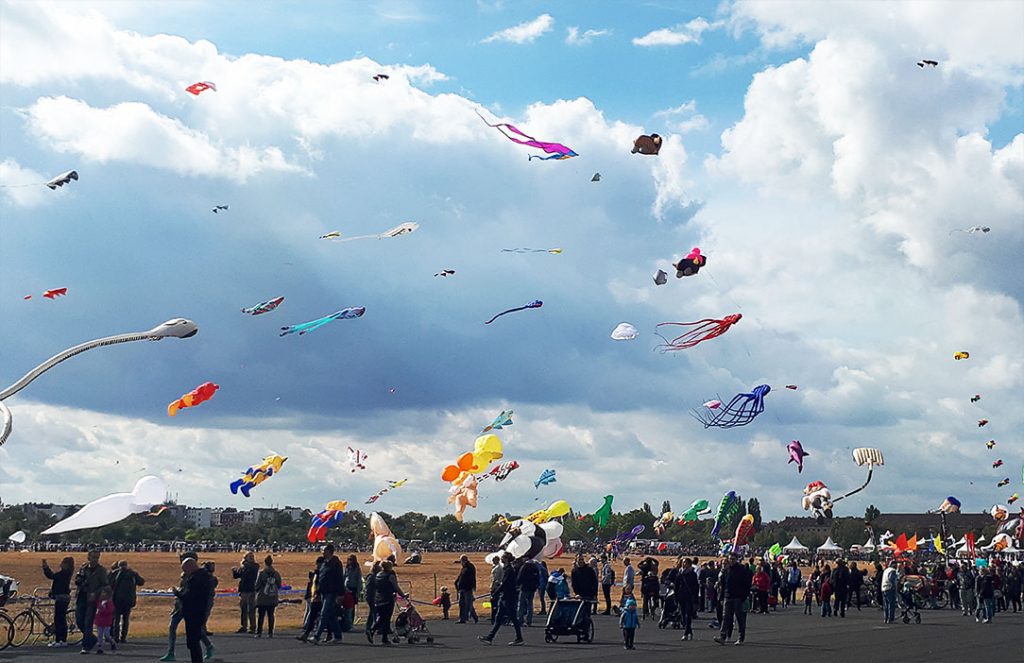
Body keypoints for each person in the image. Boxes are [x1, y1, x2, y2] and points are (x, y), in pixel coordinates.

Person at [478, 553, 524, 646]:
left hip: (509, 597)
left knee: (513, 618)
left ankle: (519, 638)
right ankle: (490, 637)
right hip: (504, 597)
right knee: (499, 618)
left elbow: (505, 584)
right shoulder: (507, 569)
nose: (501, 559)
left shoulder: (509, 570)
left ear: (506, 559)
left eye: (503, 557)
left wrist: (495, 593)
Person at [74, 548, 108, 654]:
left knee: (88, 623)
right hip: (82, 597)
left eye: (97, 558)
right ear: (88, 557)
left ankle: (86, 646)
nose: (95, 560)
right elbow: (77, 580)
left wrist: (96, 593)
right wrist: (79, 580)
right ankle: (92, 638)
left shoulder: (101, 570)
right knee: (79, 621)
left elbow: (105, 585)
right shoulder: (84, 568)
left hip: (92, 599)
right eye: (93, 557)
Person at [714, 553, 752, 646]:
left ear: (737, 559)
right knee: (726, 617)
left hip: (738, 597)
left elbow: (747, 584)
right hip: (728, 596)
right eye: (730, 559)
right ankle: (722, 636)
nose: (731, 561)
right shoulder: (726, 570)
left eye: (733, 559)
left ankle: (741, 637)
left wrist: (744, 596)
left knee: (740, 618)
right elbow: (723, 584)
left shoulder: (741, 570)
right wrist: (722, 597)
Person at [179, 558, 212, 663]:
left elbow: (190, 596)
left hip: (194, 612)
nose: (185, 573)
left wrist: (179, 594)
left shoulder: (196, 579)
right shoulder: (204, 576)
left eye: (185, 570)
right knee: (193, 641)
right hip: (198, 611)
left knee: (193, 641)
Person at [311, 544, 344, 645]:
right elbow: (321, 577)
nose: (322, 552)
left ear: (329, 551)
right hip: (323, 592)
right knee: (331, 615)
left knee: (324, 614)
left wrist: (340, 594)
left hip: (332, 592)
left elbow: (339, 579)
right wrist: (317, 591)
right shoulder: (325, 563)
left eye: (324, 550)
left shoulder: (336, 564)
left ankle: (317, 636)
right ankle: (338, 635)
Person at [369, 560, 405, 645]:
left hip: (378, 599)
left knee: (382, 617)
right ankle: (379, 634)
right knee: (386, 618)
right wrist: (402, 595)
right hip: (387, 599)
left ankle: (375, 631)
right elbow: (396, 587)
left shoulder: (378, 575)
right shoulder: (390, 575)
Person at [41, 556, 74, 648]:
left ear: (66, 565)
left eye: (63, 563)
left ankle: (59, 639)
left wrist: (46, 567)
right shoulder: (67, 573)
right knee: (61, 619)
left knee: (59, 619)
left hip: (61, 598)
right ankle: (62, 639)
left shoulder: (64, 574)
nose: (61, 564)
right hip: (64, 598)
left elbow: (52, 576)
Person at [110, 559, 144, 643]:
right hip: (128, 600)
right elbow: (141, 582)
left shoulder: (114, 573)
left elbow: (109, 583)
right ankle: (123, 637)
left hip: (117, 600)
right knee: (125, 620)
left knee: (116, 619)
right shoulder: (132, 573)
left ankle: (115, 637)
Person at [231, 551, 259, 634]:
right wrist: (235, 570)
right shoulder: (244, 567)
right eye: (249, 556)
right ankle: (244, 626)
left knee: (251, 609)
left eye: (252, 556)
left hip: (251, 590)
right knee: (243, 609)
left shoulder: (255, 566)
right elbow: (237, 575)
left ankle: (253, 627)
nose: (251, 558)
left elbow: (248, 571)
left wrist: (242, 565)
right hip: (243, 590)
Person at [254, 555, 281, 638]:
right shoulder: (276, 573)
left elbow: (257, 585)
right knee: (271, 615)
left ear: (265, 563)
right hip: (272, 597)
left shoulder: (262, 573)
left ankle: (259, 632)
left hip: (263, 597)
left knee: (261, 616)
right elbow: (279, 584)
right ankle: (270, 632)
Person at [297, 556, 323, 642]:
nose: (317, 566)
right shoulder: (317, 573)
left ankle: (331, 634)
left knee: (328, 617)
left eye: (318, 564)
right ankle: (306, 634)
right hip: (315, 597)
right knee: (313, 616)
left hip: (321, 597)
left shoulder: (323, 573)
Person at [674, 557, 699, 641]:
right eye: (683, 562)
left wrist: (696, 598)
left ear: (689, 564)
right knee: (682, 615)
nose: (684, 564)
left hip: (689, 596)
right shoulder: (679, 573)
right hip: (681, 596)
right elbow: (676, 585)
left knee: (688, 615)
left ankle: (685, 633)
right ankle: (689, 631)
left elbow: (695, 587)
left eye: (685, 563)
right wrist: (675, 596)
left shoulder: (692, 574)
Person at [455, 555, 479, 624]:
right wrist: (456, 582)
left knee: (468, 604)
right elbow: (460, 576)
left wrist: (472, 587)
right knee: (461, 604)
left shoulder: (470, 567)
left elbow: (472, 578)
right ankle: (462, 618)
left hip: (467, 588)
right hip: (462, 588)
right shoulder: (463, 568)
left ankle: (470, 617)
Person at [93, 586, 117, 654]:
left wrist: (102, 610)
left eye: (104, 593)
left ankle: (112, 642)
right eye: (102, 592)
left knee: (107, 635)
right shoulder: (100, 601)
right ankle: (100, 647)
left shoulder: (109, 603)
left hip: (107, 621)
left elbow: (109, 611)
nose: (103, 594)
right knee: (100, 635)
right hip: (99, 620)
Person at [516, 558, 539, 627]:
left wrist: (517, 584)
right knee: (530, 604)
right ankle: (529, 621)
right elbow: (537, 578)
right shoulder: (535, 567)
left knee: (521, 604)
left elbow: (520, 577)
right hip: (532, 588)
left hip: (524, 588)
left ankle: (520, 620)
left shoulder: (524, 567)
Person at [489, 557, 503, 623]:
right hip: (495, 586)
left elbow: (495, 578)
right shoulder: (496, 567)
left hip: (495, 587)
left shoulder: (498, 568)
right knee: (494, 603)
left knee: (494, 602)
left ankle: (494, 617)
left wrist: (493, 587)